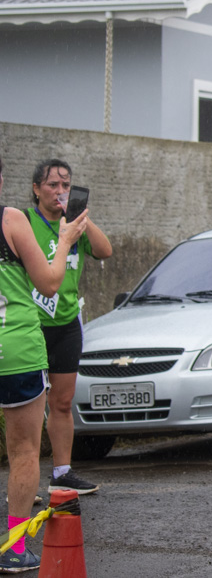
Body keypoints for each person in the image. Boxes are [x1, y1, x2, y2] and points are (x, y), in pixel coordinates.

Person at [1, 154, 88, 573]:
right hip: (15, 347)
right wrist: (67, 239)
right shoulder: (12, 220)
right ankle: (15, 549)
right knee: (23, 452)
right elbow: (50, 282)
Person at [27, 159, 112, 495]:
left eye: (66, 185)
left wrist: (81, 220)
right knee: (29, 406)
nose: (60, 191)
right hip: (31, 324)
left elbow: (105, 250)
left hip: (65, 323)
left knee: (62, 402)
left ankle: (62, 473)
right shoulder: (25, 222)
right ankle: (24, 482)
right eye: (52, 185)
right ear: (36, 189)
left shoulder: (74, 225)